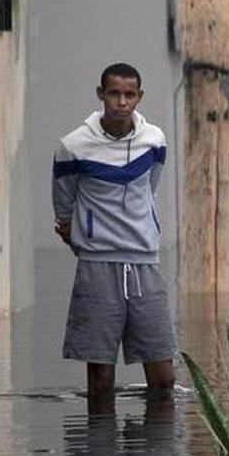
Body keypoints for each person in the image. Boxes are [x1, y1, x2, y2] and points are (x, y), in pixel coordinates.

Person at [52, 62, 176, 402]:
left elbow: (149, 189)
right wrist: (88, 240)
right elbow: (64, 211)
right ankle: (99, 451)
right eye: (114, 94)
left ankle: (155, 453)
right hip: (97, 264)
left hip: (145, 264)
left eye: (129, 95)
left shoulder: (154, 140)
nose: (122, 102)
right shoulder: (72, 146)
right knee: (101, 379)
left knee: (164, 376)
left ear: (139, 97)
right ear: (101, 95)